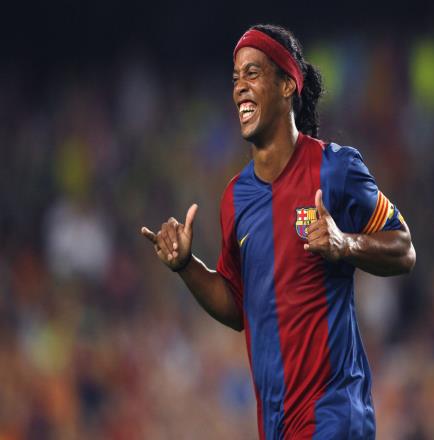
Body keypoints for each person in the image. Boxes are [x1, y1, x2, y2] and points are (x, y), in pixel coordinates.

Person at [141, 24, 416, 440]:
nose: (240, 87)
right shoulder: (235, 198)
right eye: (235, 77)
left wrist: (345, 243)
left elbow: (404, 248)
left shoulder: (336, 168)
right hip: (277, 425)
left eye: (252, 73)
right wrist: (186, 267)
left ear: (288, 84)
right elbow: (238, 307)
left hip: (335, 413)